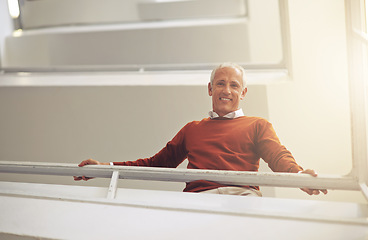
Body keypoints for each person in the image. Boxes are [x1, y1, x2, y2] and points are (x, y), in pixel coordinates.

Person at [75, 63, 327, 196]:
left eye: (234, 85)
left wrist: (297, 175)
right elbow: (155, 163)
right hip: (197, 201)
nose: (227, 90)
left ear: (243, 92)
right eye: (220, 83)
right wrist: (104, 169)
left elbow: (278, 156)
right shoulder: (192, 129)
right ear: (210, 89)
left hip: (240, 198)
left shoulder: (258, 125)